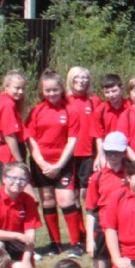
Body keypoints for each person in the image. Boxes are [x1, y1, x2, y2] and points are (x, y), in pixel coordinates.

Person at [25, 69, 82, 255]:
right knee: (48, 200)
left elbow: (72, 140)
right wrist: (42, 164)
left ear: (61, 89)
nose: (51, 94)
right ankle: (55, 243)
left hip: (63, 163)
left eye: (55, 90)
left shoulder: (70, 110)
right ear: (42, 91)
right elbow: (31, 139)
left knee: (66, 199)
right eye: (47, 90)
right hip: (41, 163)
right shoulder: (36, 111)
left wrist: (58, 165)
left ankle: (76, 243)